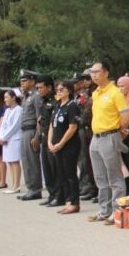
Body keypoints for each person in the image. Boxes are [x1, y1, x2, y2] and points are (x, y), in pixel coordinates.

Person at [87, 59, 129, 224]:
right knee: (100, 177)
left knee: (115, 176)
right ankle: (104, 210)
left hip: (109, 136)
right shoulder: (96, 92)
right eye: (92, 72)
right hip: (96, 138)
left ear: (106, 72)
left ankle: (117, 211)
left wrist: (116, 131)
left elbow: (126, 116)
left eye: (97, 72)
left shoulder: (115, 92)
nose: (93, 75)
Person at [48, 80, 82, 214]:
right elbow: (52, 125)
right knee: (61, 173)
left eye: (62, 89)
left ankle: (74, 202)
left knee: (70, 174)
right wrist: (50, 142)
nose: (59, 91)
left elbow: (72, 127)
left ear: (69, 90)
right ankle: (68, 201)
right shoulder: (57, 106)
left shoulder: (72, 106)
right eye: (57, 89)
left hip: (69, 145)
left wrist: (61, 143)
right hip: (56, 145)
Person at [17, 71, 43, 201]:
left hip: (32, 130)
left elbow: (39, 117)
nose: (22, 83)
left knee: (32, 161)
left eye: (24, 81)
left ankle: (35, 189)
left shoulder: (35, 96)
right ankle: (30, 188)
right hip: (25, 130)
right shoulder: (26, 96)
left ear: (32, 82)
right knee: (26, 160)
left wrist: (37, 136)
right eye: (21, 81)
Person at [35, 76, 59, 206]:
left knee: (55, 168)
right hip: (44, 137)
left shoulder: (55, 101)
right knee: (46, 168)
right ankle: (51, 194)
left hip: (53, 138)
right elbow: (41, 121)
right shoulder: (43, 101)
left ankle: (59, 195)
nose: (39, 90)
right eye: (37, 88)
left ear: (49, 87)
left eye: (41, 87)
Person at [73, 72, 97, 201]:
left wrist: (80, 119)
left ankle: (92, 188)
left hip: (92, 129)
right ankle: (90, 187)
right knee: (85, 161)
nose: (86, 82)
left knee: (91, 162)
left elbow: (88, 114)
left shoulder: (95, 93)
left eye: (88, 79)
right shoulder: (82, 95)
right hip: (83, 129)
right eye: (84, 79)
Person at [0, 90, 23, 194]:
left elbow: (15, 126)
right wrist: (1, 137)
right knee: (9, 161)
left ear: (13, 97)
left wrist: (5, 137)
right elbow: (3, 125)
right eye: (4, 97)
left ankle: (17, 185)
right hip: (6, 140)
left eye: (6, 97)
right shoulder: (8, 110)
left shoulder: (19, 110)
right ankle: (13, 184)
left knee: (15, 161)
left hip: (14, 138)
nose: (5, 100)